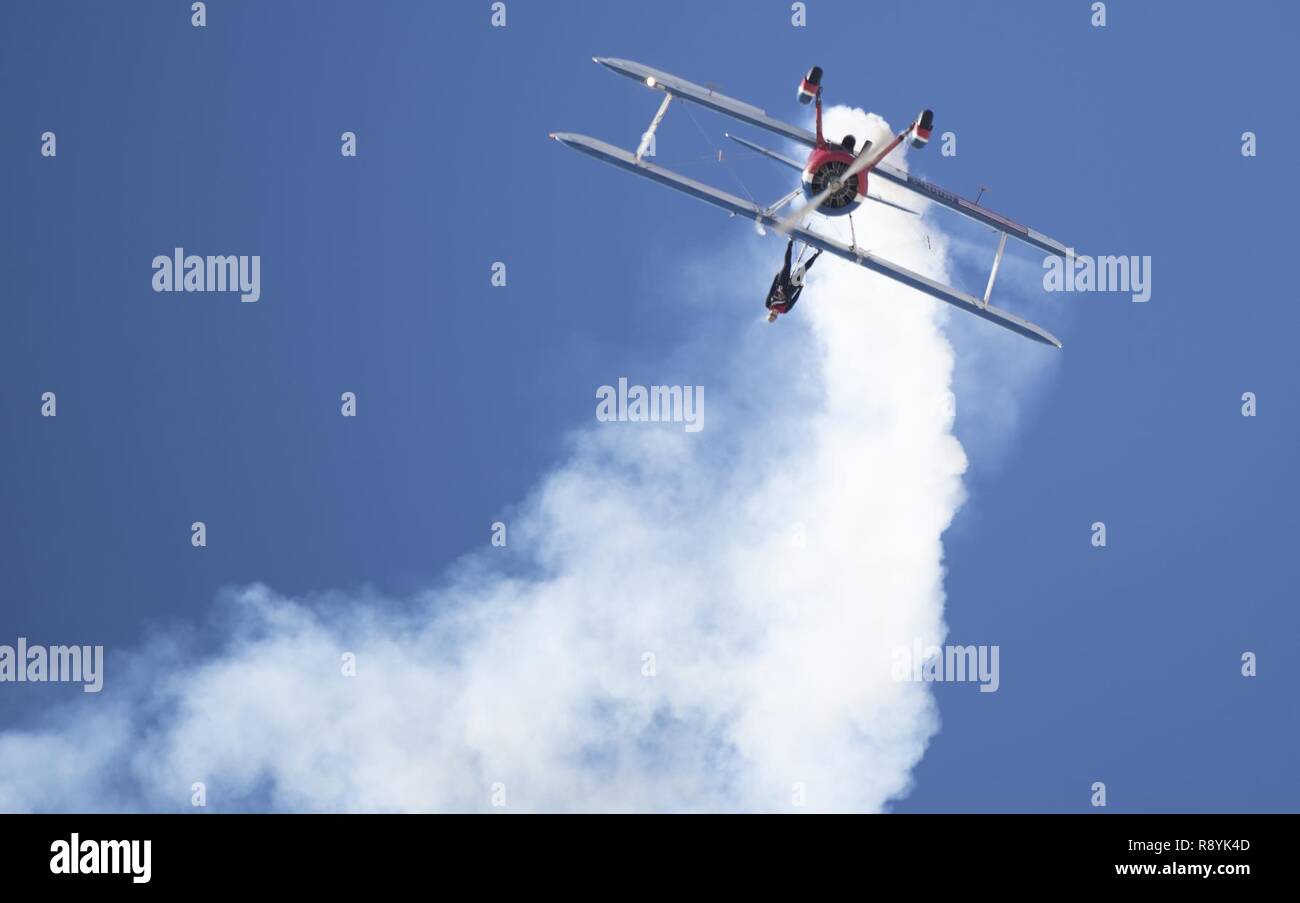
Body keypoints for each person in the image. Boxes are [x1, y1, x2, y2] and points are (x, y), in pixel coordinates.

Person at [765, 239, 822, 322]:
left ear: (769, 312)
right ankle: (817, 254)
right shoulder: (784, 310)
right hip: (791, 289)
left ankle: (790, 242)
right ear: (777, 316)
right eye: (774, 315)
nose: (774, 313)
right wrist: (800, 289)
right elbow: (793, 301)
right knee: (803, 270)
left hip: (781, 283)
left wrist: (775, 278)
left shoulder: (769, 304)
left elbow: (771, 291)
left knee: (787, 264)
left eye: (771, 314)